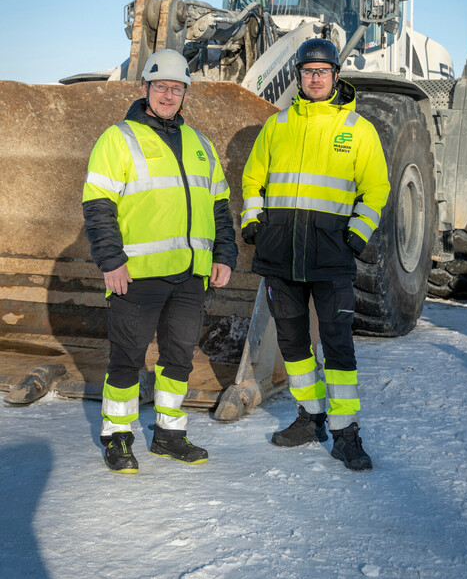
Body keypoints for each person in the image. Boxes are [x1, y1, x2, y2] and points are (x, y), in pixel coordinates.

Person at [83, 49, 238, 474]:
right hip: (136, 275)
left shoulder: (200, 143)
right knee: (127, 359)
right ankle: (117, 435)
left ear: (184, 93)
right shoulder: (119, 138)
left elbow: (220, 206)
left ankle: (169, 433)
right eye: (161, 86)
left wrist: (225, 254)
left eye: (176, 87)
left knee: (179, 359)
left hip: (190, 276)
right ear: (146, 89)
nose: (168, 95)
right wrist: (110, 261)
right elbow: (98, 206)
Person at [241, 38, 390, 471]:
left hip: (331, 255)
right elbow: (254, 179)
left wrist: (357, 235)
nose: (315, 78)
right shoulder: (278, 125)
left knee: (338, 347)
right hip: (280, 255)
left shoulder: (357, 129)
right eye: (308, 71)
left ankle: (346, 433)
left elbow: (375, 189)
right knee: (293, 343)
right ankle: (310, 417)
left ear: (336, 77)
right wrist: (253, 222)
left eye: (323, 71)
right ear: (299, 77)